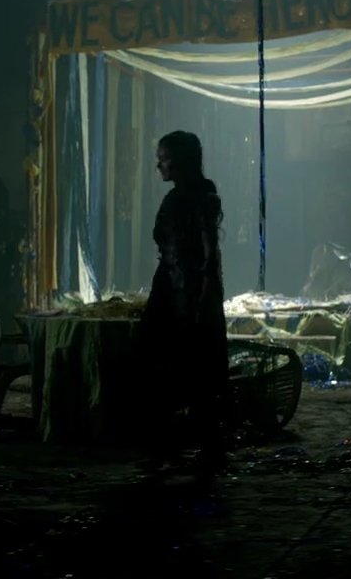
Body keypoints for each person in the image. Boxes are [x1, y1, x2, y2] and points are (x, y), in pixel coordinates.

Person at [141, 130, 229, 476]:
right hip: (172, 288)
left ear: (180, 160)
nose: (159, 165)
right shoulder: (183, 197)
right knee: (168, 368)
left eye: (164, 158)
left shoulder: (197, 198)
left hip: (187, 293)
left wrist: (201, 296)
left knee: (194, 369)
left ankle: (198, 448)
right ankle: (171, 446)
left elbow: (208, 252)